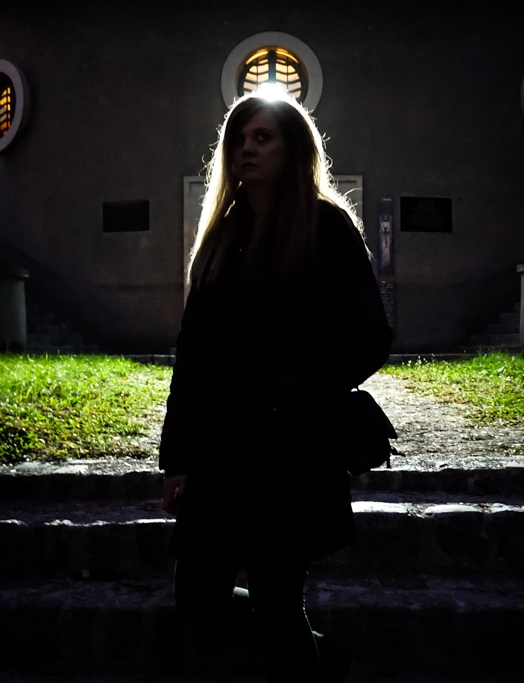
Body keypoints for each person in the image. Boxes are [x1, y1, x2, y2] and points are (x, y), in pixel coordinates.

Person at [158, 87, 392, 683]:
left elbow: (369, 336)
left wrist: (290, 393)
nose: (246, 149)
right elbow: (192, 356)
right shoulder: (221, 237)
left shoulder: (326, 227)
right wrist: (176, 460)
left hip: (292, 451)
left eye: (262, 137)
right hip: (217, 450)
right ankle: (324, 655)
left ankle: (307, 664)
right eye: (239, 138)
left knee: (276, 597)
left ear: (294, 149)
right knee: (197, 598)